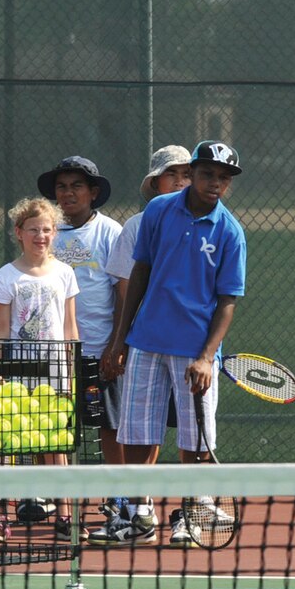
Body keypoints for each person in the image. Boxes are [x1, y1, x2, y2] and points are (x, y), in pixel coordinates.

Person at [97, 140, 247, 546]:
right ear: (193, 173)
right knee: (137, 433)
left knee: (194, 440)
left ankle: (191, 514)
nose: (215, 182)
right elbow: (141, 271)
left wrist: (205, 357)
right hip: (145, 340)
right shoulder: (159, 212)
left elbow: (227, 300)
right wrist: (122, 339)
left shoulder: (231, 232)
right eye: (207, 173)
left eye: (223, 177)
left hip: (193, 351)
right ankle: (139, 515)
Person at [36, 157, 128, 525]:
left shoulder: (109, 232)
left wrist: (114, 346)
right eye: (62, 186)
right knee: (52, 426)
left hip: (99, 350)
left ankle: (118, 499)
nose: (68, 192)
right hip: (54, 353)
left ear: (93, 193)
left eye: (76, 185)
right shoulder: (46, 232)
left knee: (110, 426)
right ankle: (59, 504)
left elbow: (123, 292)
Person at [0, 197, 82, 539]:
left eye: (46, 230)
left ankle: (65, 517)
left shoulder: (65, 274)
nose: (40, 236)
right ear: (19, 233)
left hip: (55, 372)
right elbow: (1, 328)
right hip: (17, 372)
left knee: (55, 444)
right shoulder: (5, 277)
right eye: (33, 230)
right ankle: (0, 518)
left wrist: (71, 372)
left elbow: (70, 328)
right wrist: (0, 371)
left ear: (55, 233)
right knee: (5, 444)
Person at [100, 144, 194, 465]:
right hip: (144, 345)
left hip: (187, 344)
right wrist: (119, 342)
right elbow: (126, 292)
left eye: (187, 174)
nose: (181, 181)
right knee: (142, 428)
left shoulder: (206, 224)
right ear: (156, 183)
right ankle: (141, 503)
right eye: (172, 175)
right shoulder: (136, 226)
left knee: (191, 431)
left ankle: (194, 506)